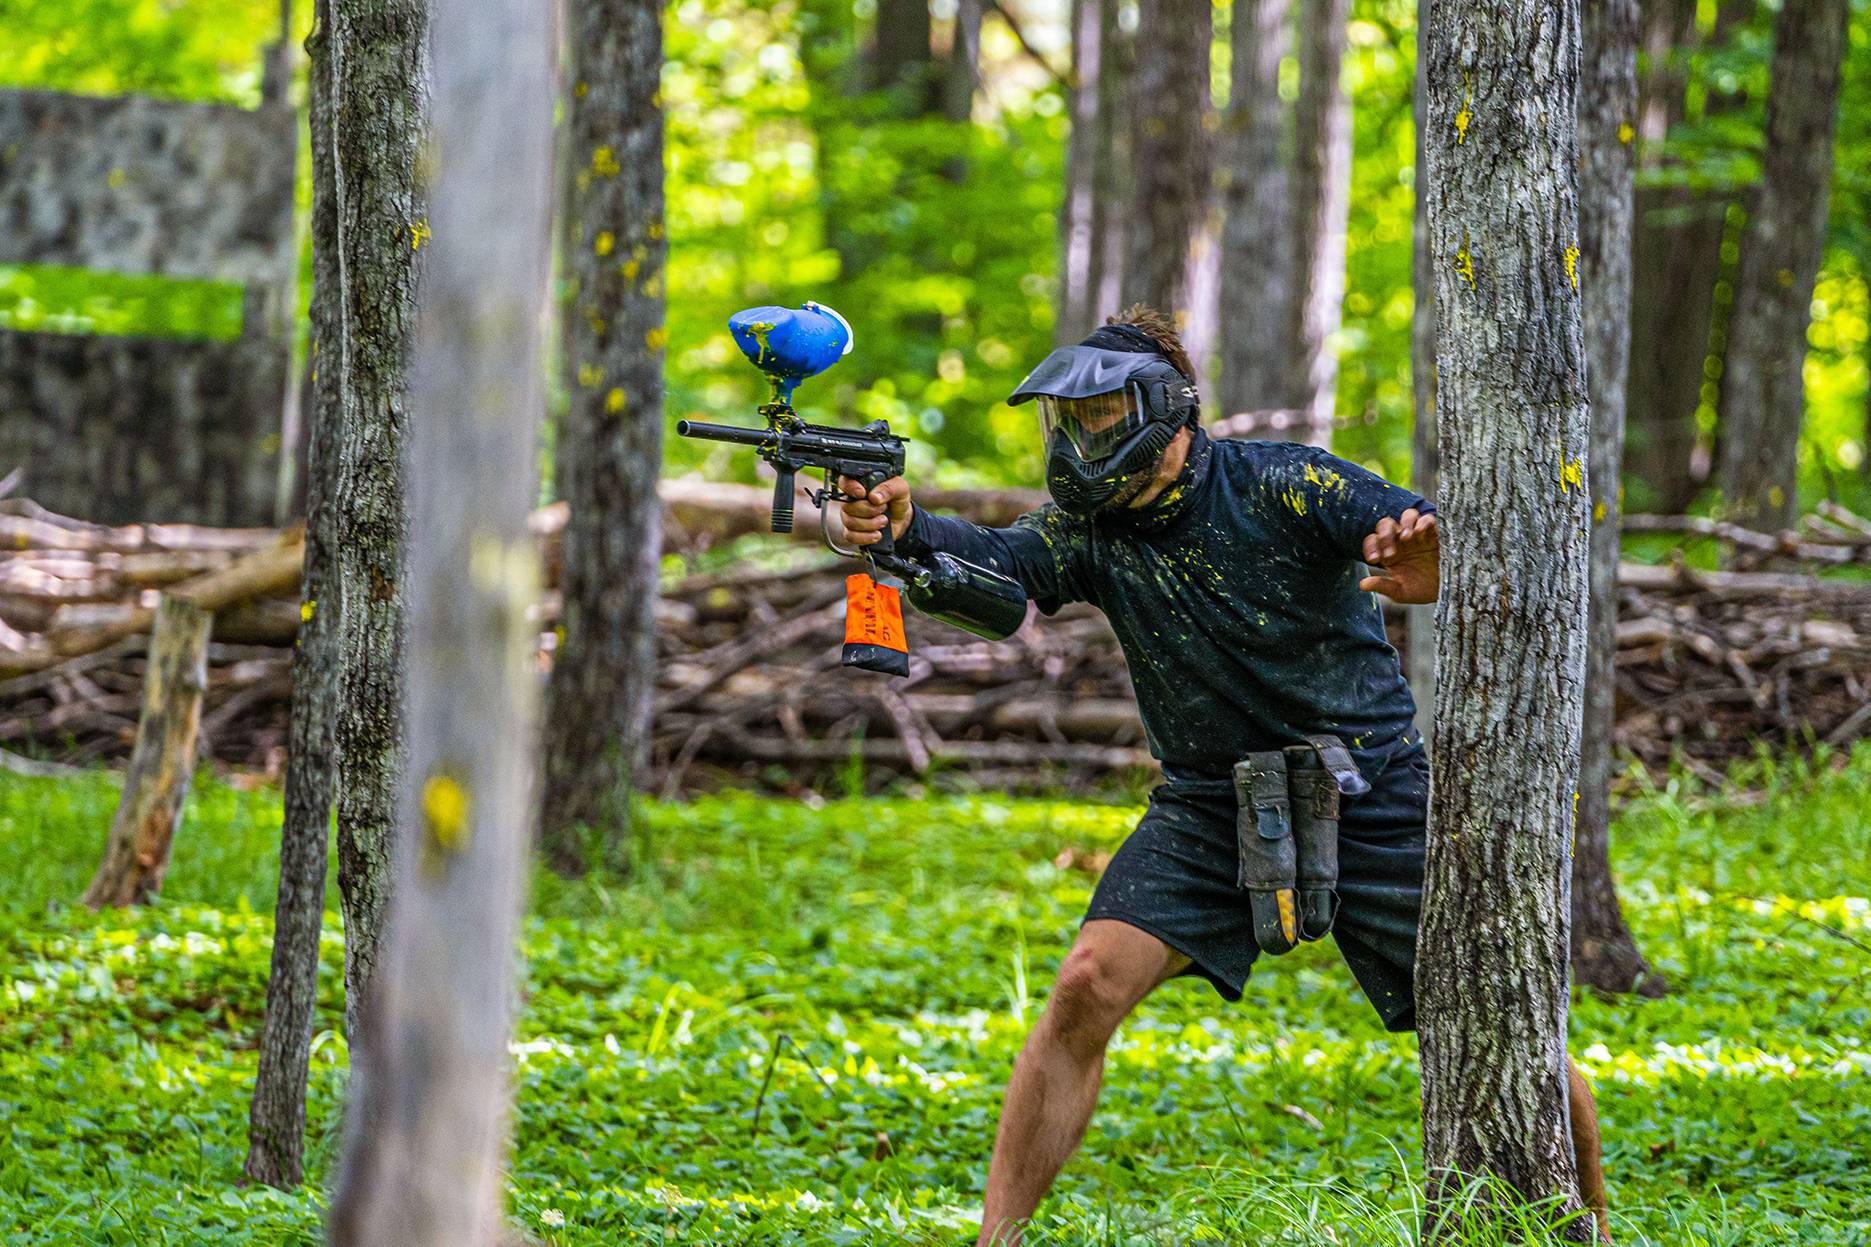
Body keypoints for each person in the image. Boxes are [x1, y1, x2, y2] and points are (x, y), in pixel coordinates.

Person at [839, 306, 1613, 1246]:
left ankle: (1591, 1229)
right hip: (1207, 804)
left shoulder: (1283, 483)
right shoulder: (1094, 531)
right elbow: (1000, 572)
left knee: (1497, 1009)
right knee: (1085, 984)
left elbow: (1422, 534)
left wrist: (1431, 560)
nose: (1086, 439)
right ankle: (995, 1239)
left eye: (1104, 415)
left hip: (1365, 793)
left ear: (1165, 409)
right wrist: (906, 527)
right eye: (1071, 421)